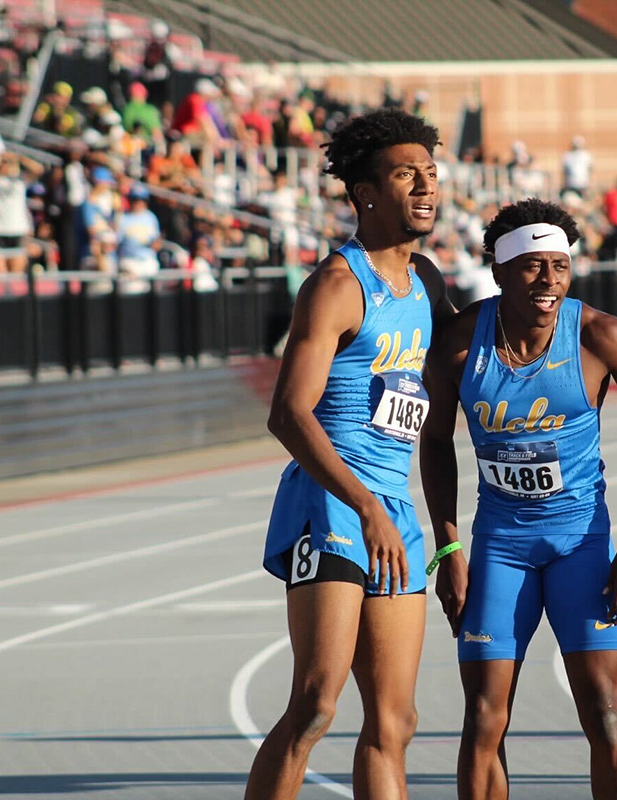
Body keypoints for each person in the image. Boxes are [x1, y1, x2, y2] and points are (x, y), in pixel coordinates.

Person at [420, 198, 617, 800]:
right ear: (499, 273)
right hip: (500, 546)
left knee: (603, 711)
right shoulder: (459, 346)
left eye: (561, 267)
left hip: (581, 543)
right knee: (484, 720)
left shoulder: (600, 336)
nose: (549, 281)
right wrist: (448, 550)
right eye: (532, 267)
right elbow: (435, 443)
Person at [246, 108, 453, 800]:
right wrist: (363, 504)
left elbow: (466, 370)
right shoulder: (338, 285)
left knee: (395, 721)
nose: (426, 186)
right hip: (332, 502)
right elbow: (288, 413)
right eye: (406, 174)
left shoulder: (427, 282)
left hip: (393, 508)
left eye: (430, 172)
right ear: (366, 192)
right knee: (316, 704)